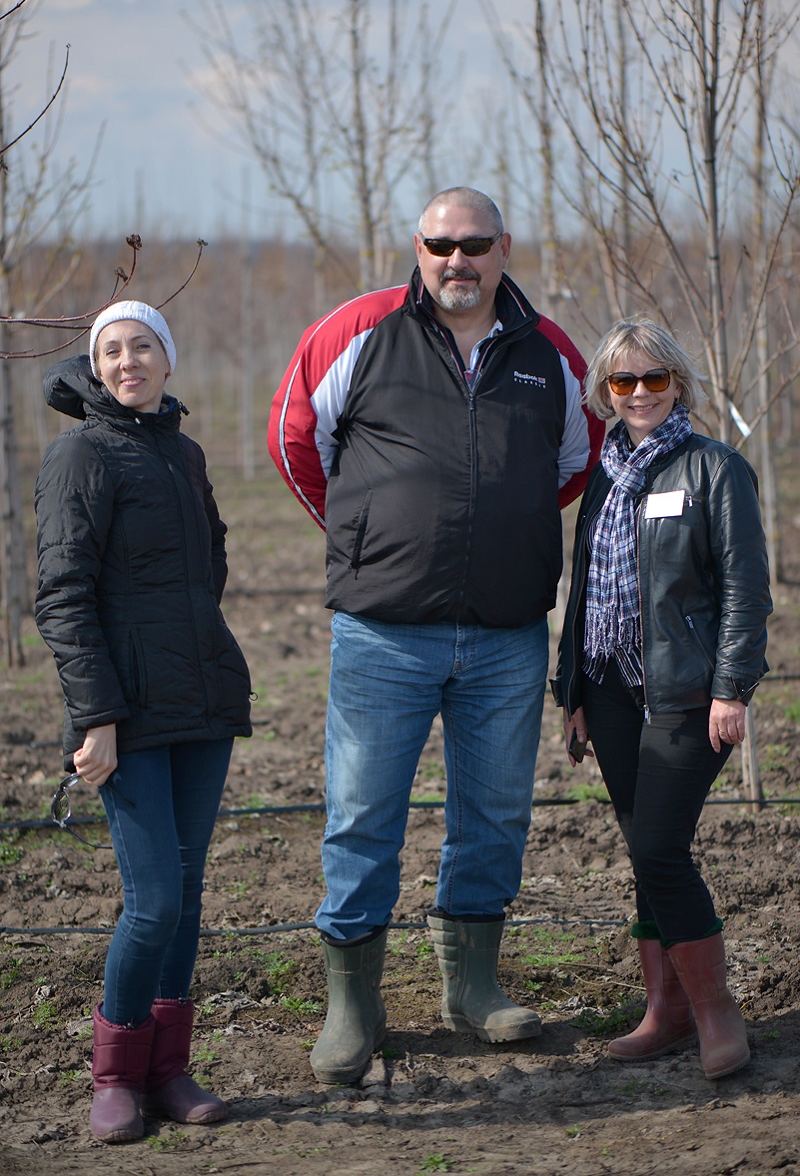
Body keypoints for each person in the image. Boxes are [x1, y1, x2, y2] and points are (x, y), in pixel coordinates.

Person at [268, 187, 604, 1084]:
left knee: (494, 813)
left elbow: (574, 462)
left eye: (476, 244)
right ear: (416, 247)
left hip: (504, 635)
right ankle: (354, 1005)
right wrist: (367, 538)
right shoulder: (357, 330)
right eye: (440, 243)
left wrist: (507, 531)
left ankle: (473, 986)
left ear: (504, 248)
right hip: (384, 633)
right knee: (363, 813)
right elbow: (297, 438)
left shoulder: (549, 352)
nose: (458, 259)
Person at [35, 301, 253, 1143]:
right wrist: (96, 717)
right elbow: (62, 595)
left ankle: (169, 1070)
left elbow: (212, 564)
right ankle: (117, 1074)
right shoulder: (78, 454)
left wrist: (197, 646)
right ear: (97, 367)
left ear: (167, 358)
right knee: (153, 899)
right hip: (124, 716)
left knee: (189, 897)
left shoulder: (183, 452)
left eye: (143, 347)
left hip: (199, 703)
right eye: (112, 351)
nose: (129, 362)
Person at [552, 317, 771, 1080]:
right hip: (609, 690)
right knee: (645, 856)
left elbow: (747, 587)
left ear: (677, 382)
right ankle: (666, 1012)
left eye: (653, 379)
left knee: (658, 849)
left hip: (685, 694)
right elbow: (582, 590)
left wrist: (732, 689)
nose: (639, 393)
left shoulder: (714, 469)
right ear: (604, 392)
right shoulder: (605, 474)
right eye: (623, 381)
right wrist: (572, 689)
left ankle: (715, 1012)